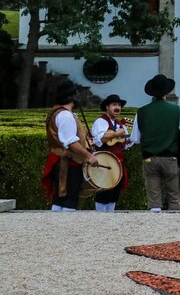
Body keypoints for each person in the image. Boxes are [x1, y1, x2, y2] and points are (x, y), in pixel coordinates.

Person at [129, 74, 180, 212]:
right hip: (170, 158)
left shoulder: (141, 112)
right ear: (167, 92)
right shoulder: (178, 110)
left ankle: (155, 225)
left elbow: (135, 138)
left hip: (149, 159)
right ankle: (175, 227)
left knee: (154, 199)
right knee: (175, 198)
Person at [41, 83, 101, 211]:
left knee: (60, 197)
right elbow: (71, 142)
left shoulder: (55, 112)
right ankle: (66, 227)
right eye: (77, 95)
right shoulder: (66, 115)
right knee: (70, 198)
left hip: (60, 159)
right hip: (69, 162)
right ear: (72, 97)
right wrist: (89, 156)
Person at [89, 93, 130, 212]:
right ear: (107, 107)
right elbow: (102, 137)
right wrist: (117, 134)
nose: (117, 107)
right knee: (104, 189)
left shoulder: (121, 124)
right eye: (114, 105)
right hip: (105, 160)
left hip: (118, 161)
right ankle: (100, 216)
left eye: (119, 105)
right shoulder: (101, 121)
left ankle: (110, 214)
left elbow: (126, 143)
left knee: (115, 191)